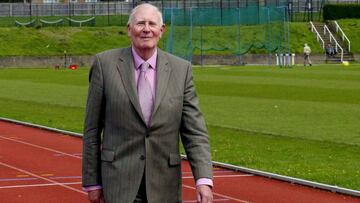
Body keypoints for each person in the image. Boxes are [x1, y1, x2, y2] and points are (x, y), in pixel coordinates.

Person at [82, 3, 213, 203]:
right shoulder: (104, 65)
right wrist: (92, 182)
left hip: (164, 184)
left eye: (152, 24)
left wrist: (203, 179)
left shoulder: (182, 70)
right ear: (129, 29)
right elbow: (92, 130)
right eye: (140, 23)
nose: (146, 29)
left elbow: (194, 131)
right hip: (119, 182)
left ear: (161, 31)